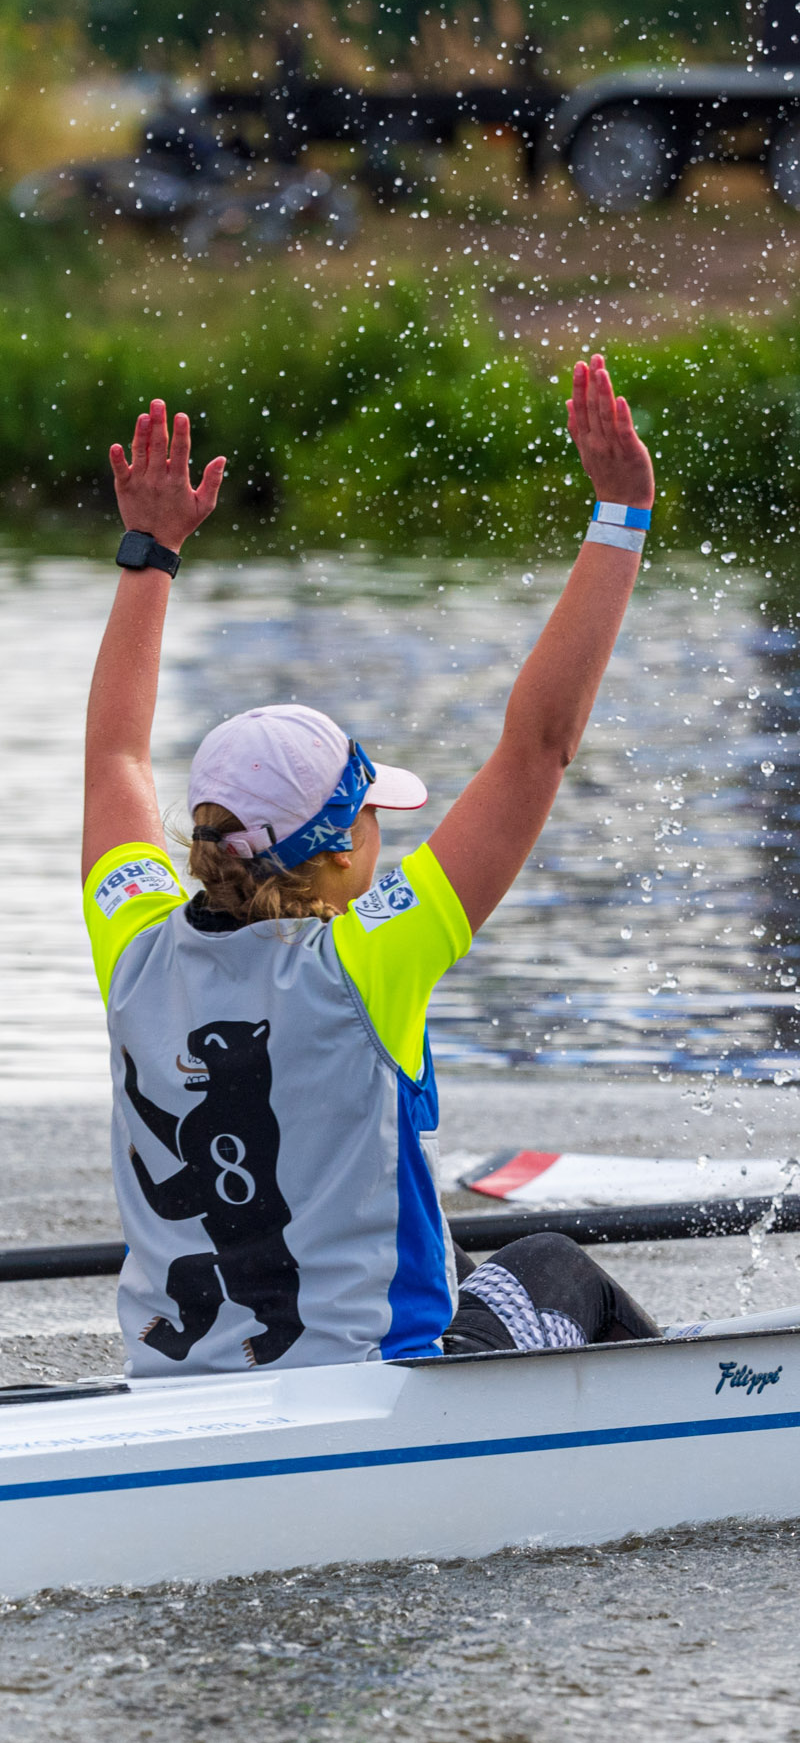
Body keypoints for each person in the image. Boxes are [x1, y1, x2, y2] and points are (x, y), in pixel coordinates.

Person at [84, 367, 665, 1375]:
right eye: (370, 818)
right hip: (377, 1393)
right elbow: (537, 748)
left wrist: (151, 553)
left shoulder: (131, 946)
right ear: (339, 848)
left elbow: (114, 762)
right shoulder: (368, 962)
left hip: (173, 1398)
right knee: (547, 1263)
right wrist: (621, 515)